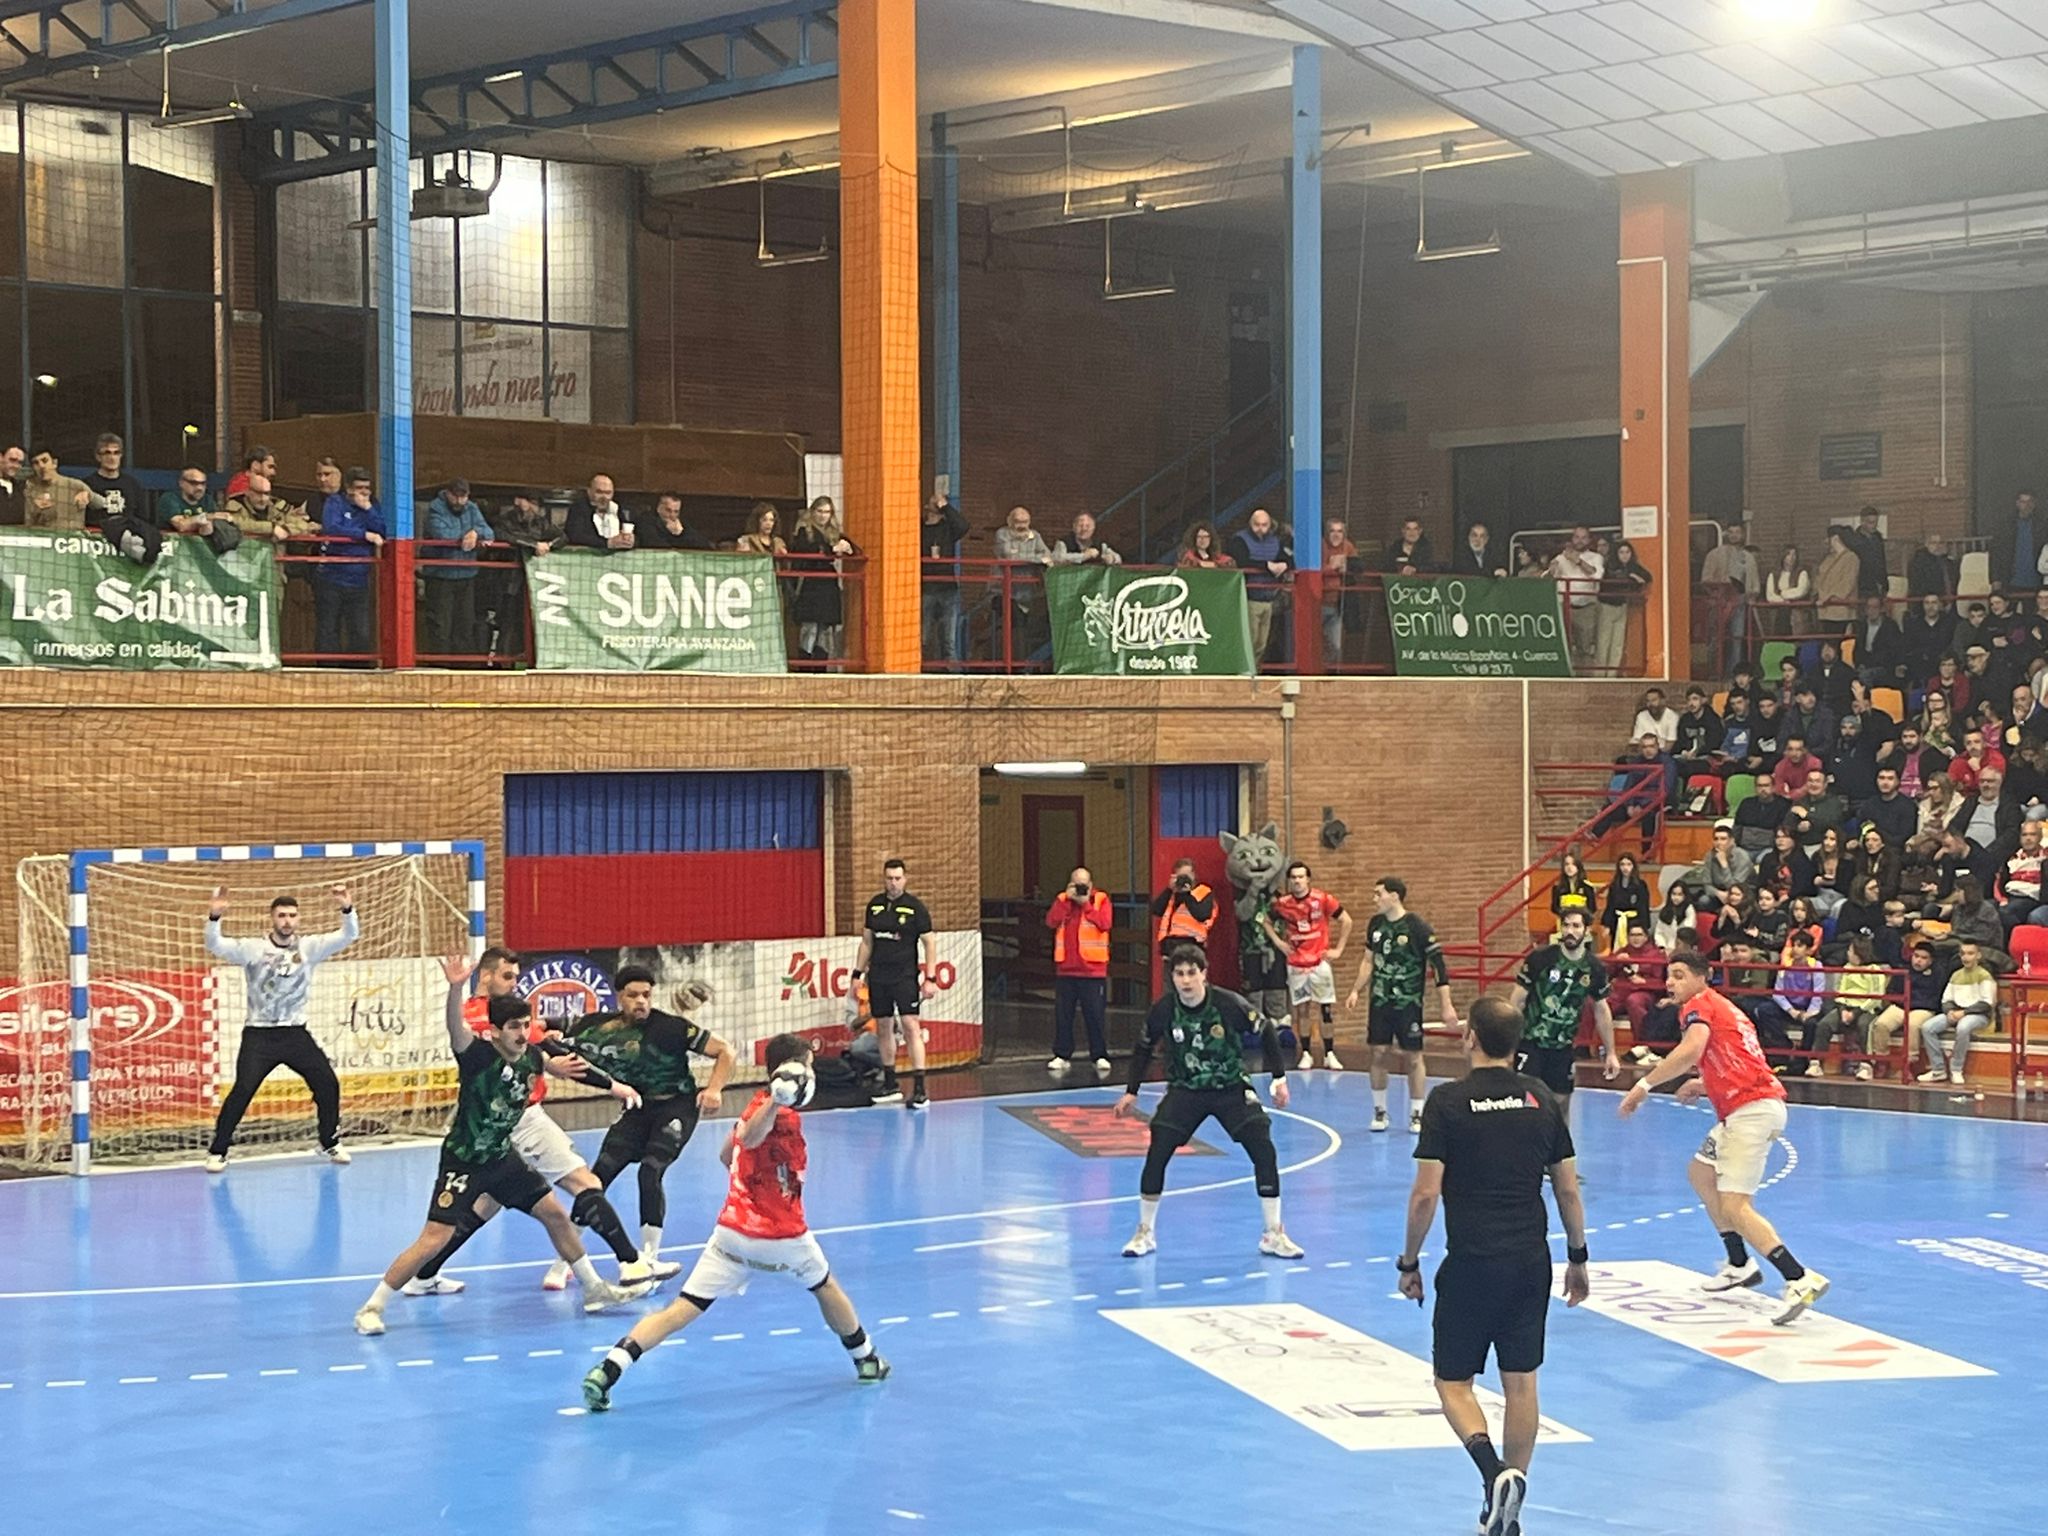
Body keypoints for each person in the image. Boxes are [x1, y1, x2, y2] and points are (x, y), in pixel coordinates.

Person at [580, 1034, 892, 1408]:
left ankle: (609, 1368)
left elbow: (727, 1153)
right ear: (794, 1070)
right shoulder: (779, 1113)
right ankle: (866, 1359)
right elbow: (755, 1138)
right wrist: (777, 1104)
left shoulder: (754, 1104)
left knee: (680, 1309)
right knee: (826, 1287)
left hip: (730, 1235)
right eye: (807, 1065)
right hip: (781, 1236)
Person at [353, 987, 653, 1336]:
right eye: (513, 1027)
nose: (522, 1033)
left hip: (501, 1158)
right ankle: (372, 1308)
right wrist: (455, 987)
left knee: (555, 1214)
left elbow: (551, 1063)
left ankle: (594, 1290)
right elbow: (455, 1028)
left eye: (526, 1024)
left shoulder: (532, 1057)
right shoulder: (477, 1056)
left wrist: (567, 1070)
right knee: (434, 1238)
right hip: (464, 1163)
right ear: (495, 1030)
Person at [1398, 995, 1588, 1536]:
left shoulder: (1447, 1102)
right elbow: (1567, 1188)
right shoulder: (1541, 1097)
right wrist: (1577, 1257)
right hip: (1531, 1261)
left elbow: (1425, 1195)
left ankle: (1492, 1473)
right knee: (1521, 1384)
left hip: (1473, 1264)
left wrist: (1409, 1261)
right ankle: (1511, 1503)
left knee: (1453, 1382)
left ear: (1471, 1038)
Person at [404, 949, 666, 1296]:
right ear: (486, 976)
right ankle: (630, 1263)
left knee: (485, 1205)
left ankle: (425, 1275)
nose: (514, 983)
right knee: (583, 1182)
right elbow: (553, 1055)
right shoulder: (499, 1020)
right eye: (507, 976)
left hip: (494, 1127)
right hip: (521, 1118)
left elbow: (545, 1053)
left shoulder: (487, 1015)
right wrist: (612, 1085)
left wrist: (550, 1049)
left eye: (516, 976)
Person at [1618, 950, 1828, 1323]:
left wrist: (1644, 1085)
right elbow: (1740, 1057)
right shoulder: (1725, 1007)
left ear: (1702, 978)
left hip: (1750, 1113)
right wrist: (1705, 1083)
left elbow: (1692, 1050)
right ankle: (1738, 1263)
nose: (1670, 982)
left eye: (1679, 975)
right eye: (1669, 975)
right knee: (1701, 1173)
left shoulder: (1698, 1006)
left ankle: (1798, 1278)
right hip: (1748, 1107)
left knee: (1735, 1206)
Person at [552, 965, 738, 1286]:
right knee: (595, 1179)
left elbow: (725, 1051)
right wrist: (549, 1037)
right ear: (618, 997)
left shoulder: (672, 1027)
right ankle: (564, 1262)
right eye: (633, 995)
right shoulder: (596, 1027)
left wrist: (714, 1089)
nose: (641, 1001)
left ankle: (650, 1258)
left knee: (650, 1171)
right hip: (637, 1108)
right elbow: (551, 1031)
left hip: (677, 1106)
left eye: (646, 995)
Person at [1115, 943, 1299, 1260]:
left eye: (1192, 973)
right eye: (1179, 974)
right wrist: (1132, 1090)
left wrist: (1278, 1078)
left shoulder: (1228, 1004)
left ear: (1204, 974)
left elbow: (1266, 1029)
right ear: (1172, 977)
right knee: (1158, 1148)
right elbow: (1143, 1047)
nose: (1186, 980)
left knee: (1263, 1147)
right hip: (1186, 1090)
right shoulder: (1164, 1009)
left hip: (1230, 1087)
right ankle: (1145, 1232)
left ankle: (1273, 1233)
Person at [203, 884, 360, 1172]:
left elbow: (349, 935)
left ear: (298, 919)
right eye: (282, 916)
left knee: (327, 1083)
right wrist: (215, 917)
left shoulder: (310, 947)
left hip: (295, 1033)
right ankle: (218, 1150)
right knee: (243, 1090)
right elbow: (216, 945)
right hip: (259, 1035)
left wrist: (347, 909)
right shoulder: (253, 949)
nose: (287, 921)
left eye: (292, 915)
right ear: (272, 918)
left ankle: (329, 1140)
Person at [1345, 876, 1458, 1134]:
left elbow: (1439, 968)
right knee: (1378, 1053)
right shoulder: (1375, 924)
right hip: (1380, 1003)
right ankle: (1379, 1111)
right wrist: (1355, 990)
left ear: (1394, 896)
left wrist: (1446, 1005)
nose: (1374, 899)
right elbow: (1368, 961)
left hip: (1408, 1004)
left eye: (1379, 894)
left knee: (1413, 1057)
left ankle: (1417, 1113)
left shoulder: (1417, 927)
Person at [1508, 910, 1621, 1117]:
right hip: (1531, 1042)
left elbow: (1601, 1010)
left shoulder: (1593, 968)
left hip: (1563, 1047)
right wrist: (1509, 1041)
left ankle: (1560, 1139)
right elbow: (1517, 1000)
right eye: (1566, 925)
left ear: (1586, 931)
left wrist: (1611, 1053)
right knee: (1526, 1099)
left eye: (1576, 926)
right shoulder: (1540, 958)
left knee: (1561, 1102)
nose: (1570, 931)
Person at [855, 856, 940, 1104]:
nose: (893, 883)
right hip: (878, 976)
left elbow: (929, 942)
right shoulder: (875, 906)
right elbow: (867, 942)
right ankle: (890, 1084)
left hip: (904, 976)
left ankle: (920, 1088)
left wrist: (931, 977)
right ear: (884, 879)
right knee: (883, 1026)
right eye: (889, 878)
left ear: (905, 879)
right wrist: (857, 973)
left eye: (897, 878)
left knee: (910, 1025)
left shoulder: (915, 907)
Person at [1262, 861, 1353, 1071]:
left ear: (1308, 879)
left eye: (1301, 877)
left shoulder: (1323, 899)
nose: (1297, 881)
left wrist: (1338, 950)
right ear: (1289, 880)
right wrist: (1279, 943)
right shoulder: (1283, 903)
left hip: (1319, 963)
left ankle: (1329, 1053)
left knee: (1325, 1009)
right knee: (1302, 1010)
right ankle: (1305, 1053)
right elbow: (1265, 920)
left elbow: (1346, 920)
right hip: (1296, 964)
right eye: (1293, 877)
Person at [314, 467, 387, 662]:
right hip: (331, 577)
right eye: (359, 488)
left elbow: (382, 529)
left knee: (360, 631)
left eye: (367, 488)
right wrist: (363, 535)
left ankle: (358, 670)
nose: (364, 492)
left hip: (359, 580)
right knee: (328, 629)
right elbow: (332, 528)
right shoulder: (335, 502)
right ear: (348, 488)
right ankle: (327, 672)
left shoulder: (372, 505)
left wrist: (368, 509)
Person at [420, 477, 495, 658]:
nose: (460, 501)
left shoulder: (472, 508)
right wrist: (467, 536)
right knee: (441, 626)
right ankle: (439, 666)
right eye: (456, 496)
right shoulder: (435, 508)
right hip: (440, 576)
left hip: (467, 575)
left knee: (465, 625)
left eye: (464, 496)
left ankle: (462, 666)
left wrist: (475, 533)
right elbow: (442, 535)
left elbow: (489, 532)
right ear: (448, 493)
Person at [788, 496, 858, 661]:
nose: (823, 516)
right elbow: (806, 549)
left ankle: (821, 666)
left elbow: (855, 550)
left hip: (828, 585)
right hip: (810, 584)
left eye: (827, 512)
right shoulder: (804, 531)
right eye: (819, 511)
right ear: (812, 512)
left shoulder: (834, 533)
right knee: (810, 628)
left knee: (825, 632)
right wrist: (831, 550)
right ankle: (806, 666)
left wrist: (847, 548)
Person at [1920, 941, 1997, 1084]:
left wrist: (1964, 1012)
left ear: (1978, 955)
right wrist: (1949, 1011)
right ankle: (1938, 1070)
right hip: (1956, 1012)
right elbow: (1946, 999)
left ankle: (1956, 1068)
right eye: (1963, 954)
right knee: (1927, 1027)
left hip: (1979, 1015)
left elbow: (1987, 1003)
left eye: (1970, 953)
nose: (1966, 957)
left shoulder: (1984, 975)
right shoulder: (1955, 975)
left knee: (1963, 1026)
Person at [1228, 507, 1293, 662]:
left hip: (1269, 598)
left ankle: (1255, 670)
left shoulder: (1275, 541)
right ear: (1250, 524)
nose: (1260, 529)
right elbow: (1241, 561)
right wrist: (1267, 566)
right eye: (1257, 525)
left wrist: (1285, 565)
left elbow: (1288, 559)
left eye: (1264, 525)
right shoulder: (1239, 540)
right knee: (1250, 641)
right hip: (1249, 597)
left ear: (1270, 525)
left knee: (1261, 644)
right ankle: (1247, 671)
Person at [920, 490, 970, 665]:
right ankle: (919, 668)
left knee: (949, 637)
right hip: (926, 587)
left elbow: (963, 526)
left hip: (947, 587)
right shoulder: (919, 528)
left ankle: (951, 670)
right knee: (923, 635)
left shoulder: (948, 528)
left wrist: (946, 507)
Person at [1546, 525, 1603, 666]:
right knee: (1563, 646)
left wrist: (1578, 561)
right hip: (1563, 607)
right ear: (1572, 539)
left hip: (1586, 608)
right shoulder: (1561, 557)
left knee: (1585, 648)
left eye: (1584, 538)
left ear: (1589, 540)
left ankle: (1584, 677)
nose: (1580, 541)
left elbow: (1597, 575)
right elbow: (1548, 577)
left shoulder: (1596, 557)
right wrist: (1551, 570)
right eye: (1577, 537)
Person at [1150, 857, 1217, 975]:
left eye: (1187, 875)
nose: (1184, 879)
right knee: (1170, 984)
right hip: (1170, 949)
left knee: (1190, 983)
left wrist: (1187, 894)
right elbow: (1156, 910)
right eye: (1180, 876)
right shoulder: (1172, 894)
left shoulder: (1203, 891)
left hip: (1192, 947)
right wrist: (1169, 889)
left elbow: (1202, 914)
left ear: (1194, 875)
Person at [1598, 540, 1650, 672]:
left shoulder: (1632, 566)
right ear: (1616, 554)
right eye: (1621, 552)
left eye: (1627, 552)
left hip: (1622, 606)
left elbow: (1647, 576)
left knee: (1618, 644)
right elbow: (1616, 579)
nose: (1625, 555)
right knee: (1603, 643)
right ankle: (1600, 675)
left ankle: (1612, 675)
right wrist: (1633, 578)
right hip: (1607, 606)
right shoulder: (1610, 565)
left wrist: (1634, 576)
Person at [565, 474, 635, 551]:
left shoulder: (616, 509)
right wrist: (608, 543)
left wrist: (631, 541)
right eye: (599, 492)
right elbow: (576, 536)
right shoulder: (578, 509)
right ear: (589, 492)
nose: (604, 497)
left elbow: (632, 533)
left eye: (608, 493)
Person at [1602, 852, 1652, 946]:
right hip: (1617, 922)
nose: (1625, 868)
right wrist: (1607, 925)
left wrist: (1644, 927)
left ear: (1633, 866)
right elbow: (1610, 906)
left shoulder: (1641, 885)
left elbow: (1644, 907)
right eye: (1622, 864)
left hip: (1634, 922)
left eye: (1629, 864)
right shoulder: (1614, 885)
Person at [1815, 526, 1861, 623]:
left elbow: (1847, 584)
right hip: (1824, 611)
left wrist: (1828, 597)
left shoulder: (1851, 558)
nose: (1826, 542)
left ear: (1835, 538)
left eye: (1828, 538)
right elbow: (1819, 578)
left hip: (1842, 611)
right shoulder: (1828, 558)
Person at [1764, 543, 1811, 634]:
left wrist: (1783, 594)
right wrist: (1783, 601)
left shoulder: (1802, 573)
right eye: (1788, 554)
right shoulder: (1774, 574)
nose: (1791, 557)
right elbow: (1770, 595)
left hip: (1797, 613)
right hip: (1778, 613)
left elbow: (1801, 591)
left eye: (1794, 554)